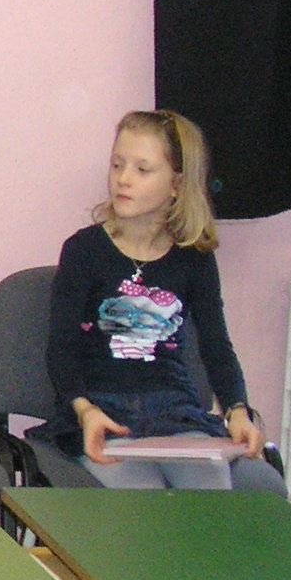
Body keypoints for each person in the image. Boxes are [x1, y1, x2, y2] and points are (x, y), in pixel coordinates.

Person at [45, 109, 263, 490]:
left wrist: (238, 410)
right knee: (142, 496)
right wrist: (84, 410)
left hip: (173, 411)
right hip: (102, 410)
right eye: (117, 165)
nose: (123, 179)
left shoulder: (194, 258)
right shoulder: (83, 251)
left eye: (142, 169)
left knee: (210, 488)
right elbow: (62, 349)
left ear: (177, 184)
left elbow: (216, 346)